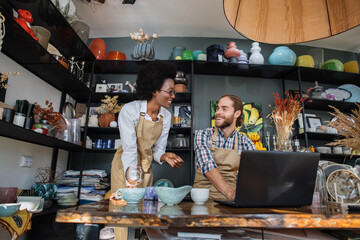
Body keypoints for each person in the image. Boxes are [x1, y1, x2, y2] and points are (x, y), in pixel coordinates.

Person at [111, 61, 184, 240]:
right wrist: (131, 181)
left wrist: (164, 156)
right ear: (154, 90)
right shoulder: (130, 111)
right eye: (170, 91)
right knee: (123, 213)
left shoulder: (166, 116)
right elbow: (129, 149)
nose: (173, 96)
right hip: (125, 166)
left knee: (145, 212)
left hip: (146, 166)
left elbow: (158, 149)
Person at [193, 94, 256, 201]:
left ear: (237, 113)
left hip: (230, 202)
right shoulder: (202, 135)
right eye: (217, 108)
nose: (218, 112)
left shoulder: (246, 143)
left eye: (224, 109)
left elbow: (253, 176)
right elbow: (208, 166)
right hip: (203, 201)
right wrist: (232, 195)